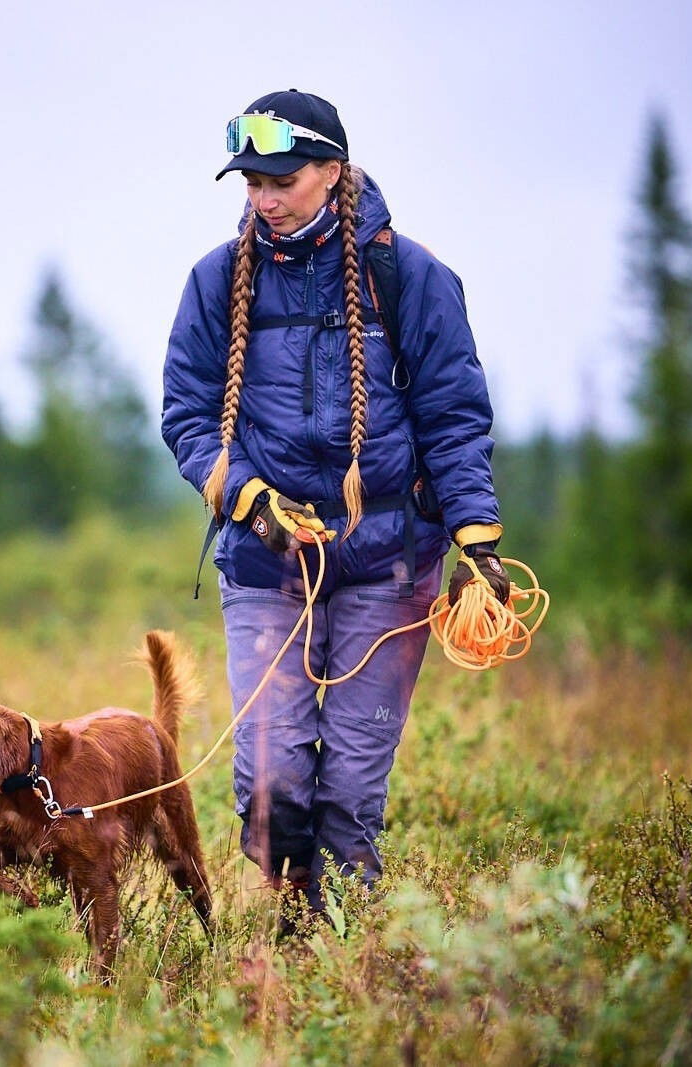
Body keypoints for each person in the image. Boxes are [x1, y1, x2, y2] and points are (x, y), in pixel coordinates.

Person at [161, 89, 510, 913]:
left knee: (352, 785)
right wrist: (250, 501)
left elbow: (454, 418)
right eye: (249, 181)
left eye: (279, 179)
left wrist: (477, 539)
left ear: (331, 171)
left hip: (390, 563)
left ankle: (340, 955)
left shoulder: (411, 276)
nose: (262, 198)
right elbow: (187, 415)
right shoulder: (217, 282)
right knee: (270, 776)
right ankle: (288, 921)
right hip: (263, 562)